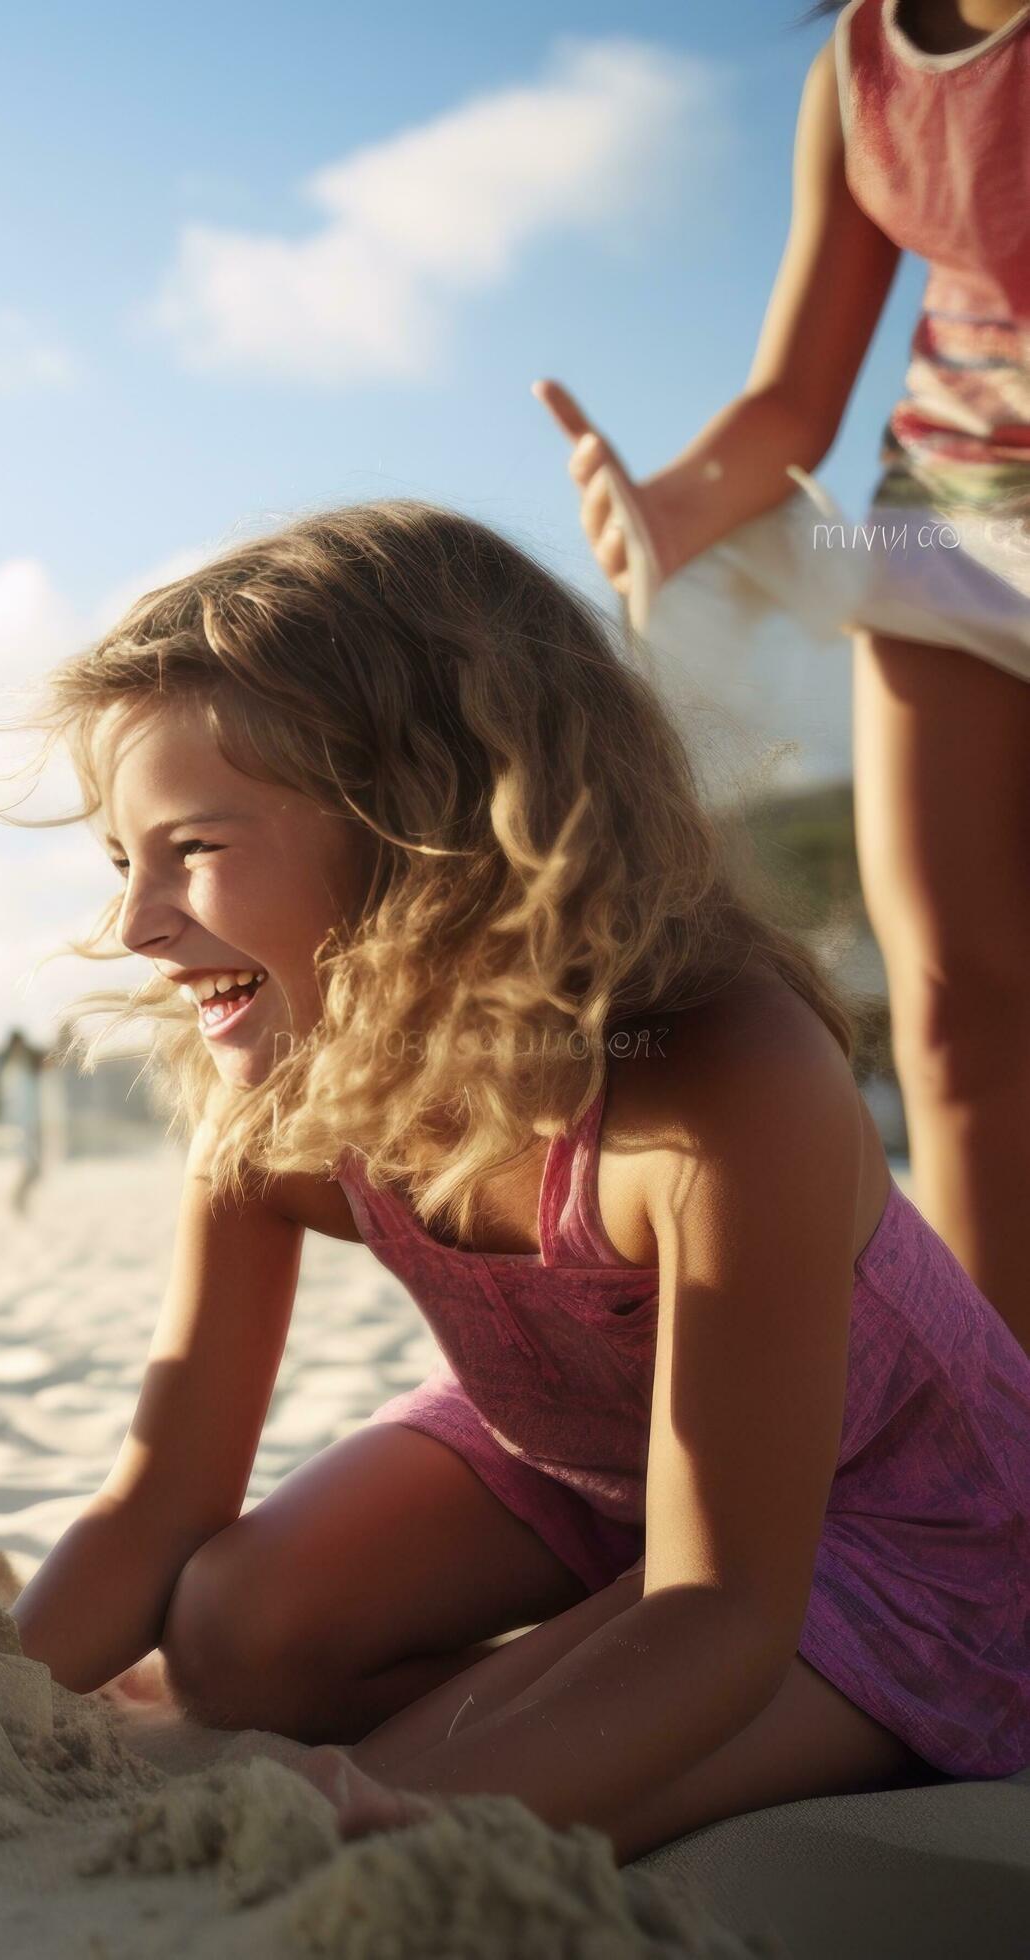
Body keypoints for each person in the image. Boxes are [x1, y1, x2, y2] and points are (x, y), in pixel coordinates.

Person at [6, 503, 1030, 1858]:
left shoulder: (722, 1081)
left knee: (427, 1791)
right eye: (122, 863)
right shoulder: (274, 1108)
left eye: (191, 850)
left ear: (422, 825)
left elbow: (721, 1605)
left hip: (900, 1535)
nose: (137, 924)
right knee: (228, 1635)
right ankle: (572, 1660)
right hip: (586, 1474)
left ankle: (606, 1691)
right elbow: (160, 1503)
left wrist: (407, 1794)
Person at [539, 0, 1030, 1342]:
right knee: (951, 1010)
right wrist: (665, 506)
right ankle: (1005, 1447)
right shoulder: (860, 69)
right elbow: (794, 402)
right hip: (951, 531)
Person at [1, 1029, 46, 1216]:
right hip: (23, 1127)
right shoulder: (15, 1071)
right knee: (32, 1168)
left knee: (34, 1169)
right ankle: (17, 1203)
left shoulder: (23, 1070)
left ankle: (19, 1203)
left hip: (28, 1125)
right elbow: (16, 1105)